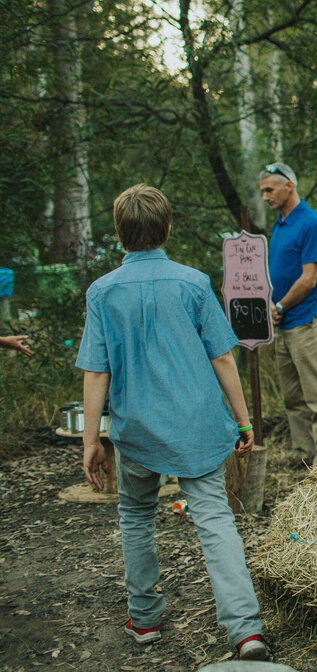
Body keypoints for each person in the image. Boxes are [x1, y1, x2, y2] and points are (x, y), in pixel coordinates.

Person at [75, 184, 270, 662]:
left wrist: (91, 440)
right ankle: (246, 632)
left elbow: (96, 371)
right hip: (197, 427)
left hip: (135, 430)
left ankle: (144, 619)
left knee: (136, 517)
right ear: (167, 229)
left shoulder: (102, 292)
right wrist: (244, 423)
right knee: (215, 520)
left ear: (119, 233)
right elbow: (223, 359)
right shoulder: (192, 282)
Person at [260, 162, 317, 467]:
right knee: (293, 397)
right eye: (263, 191)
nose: (265, 196)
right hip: (283, 324)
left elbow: (308, 279)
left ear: (288, 187)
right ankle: (303, 456)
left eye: (269, 190)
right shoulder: (280, 223)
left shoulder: (310, 222)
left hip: (304, 320)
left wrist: (280, 306)